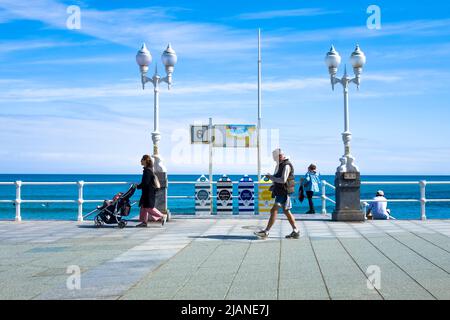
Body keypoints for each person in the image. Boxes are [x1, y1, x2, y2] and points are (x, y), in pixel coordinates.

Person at [254, 148, 300, 239]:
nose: (274, 159)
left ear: (279, 156)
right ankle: (296, 230)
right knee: (286, 211)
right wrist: (273, 183)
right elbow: (279, 179)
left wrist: (271, 177)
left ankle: (266, 231)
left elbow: (283, 180)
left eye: (275, 157)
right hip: (281, 191)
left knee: (274, 210)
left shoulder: (286, 165)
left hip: (283, 192)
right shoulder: (280, 165)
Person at [136, 155, 166, 227]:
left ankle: (162, 216)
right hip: (147, 192)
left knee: (149, 207)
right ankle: (144, 222)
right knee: (143, 207)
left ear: (146, 161)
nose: (141, 161)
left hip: (148, 193)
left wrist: (137, 186)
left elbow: (145, 183)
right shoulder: (148, 170)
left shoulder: (147, 171)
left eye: (142, 159)